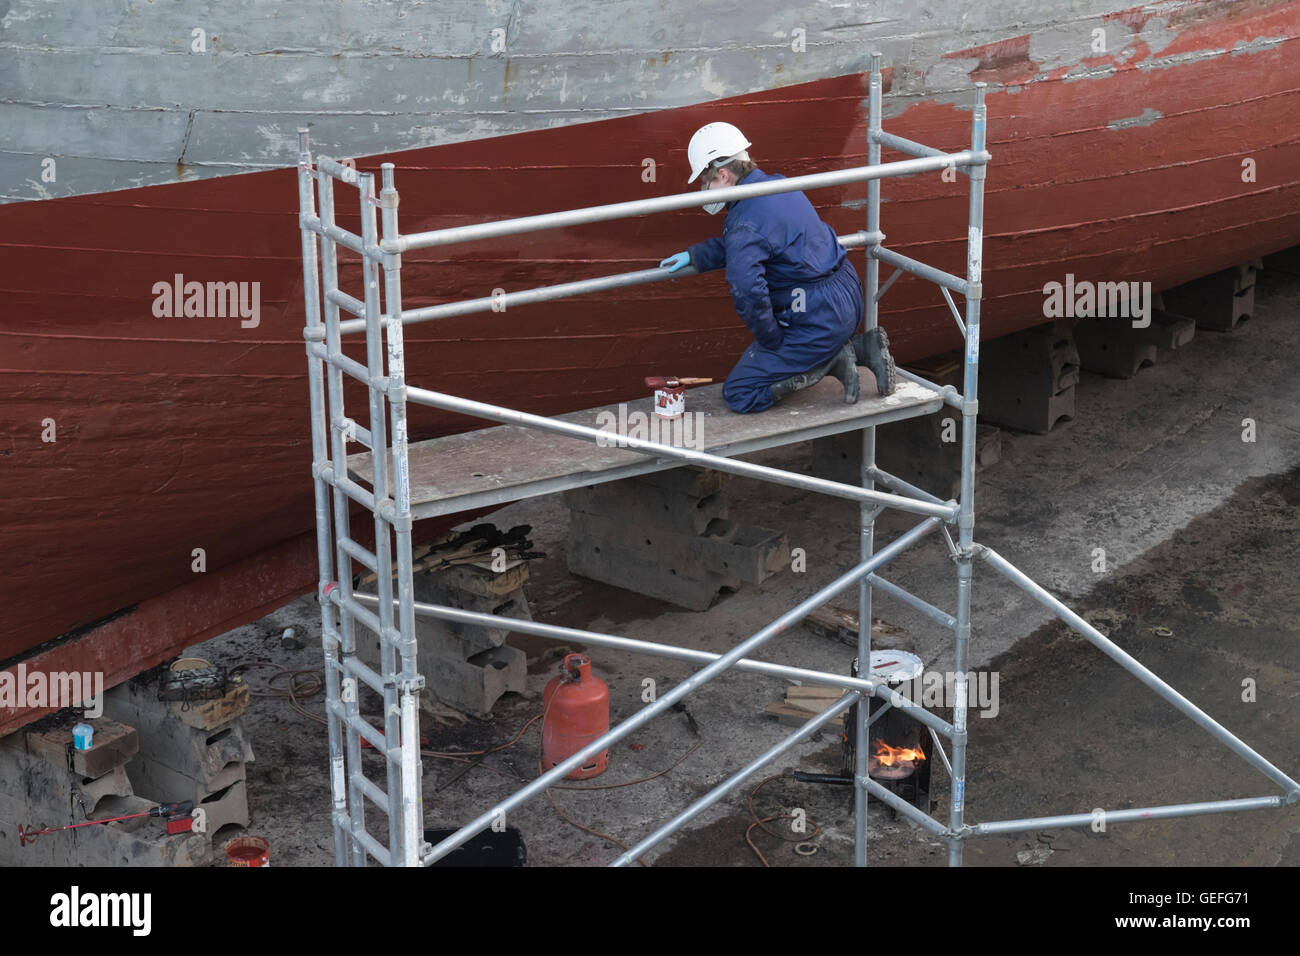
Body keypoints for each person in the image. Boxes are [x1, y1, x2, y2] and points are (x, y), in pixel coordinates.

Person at [659, 122, 896, 414]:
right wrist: (695, 255)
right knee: (789, 342)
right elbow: (756, 241)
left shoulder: (744, 221)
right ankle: (861, 348)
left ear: (723, 174)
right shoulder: (778, 185)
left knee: (741, 393)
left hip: (817, 314)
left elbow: (748, 292)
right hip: (846, 291)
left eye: (706, 182)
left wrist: (772, 340)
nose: (704, 190)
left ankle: (832, 358)